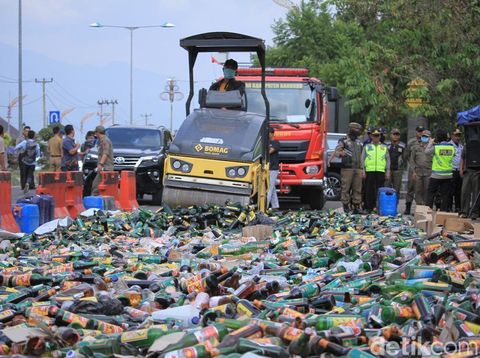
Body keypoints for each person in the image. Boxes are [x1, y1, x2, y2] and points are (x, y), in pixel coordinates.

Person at [330, 122, 363, 213]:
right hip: (347, 168)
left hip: (358, 168)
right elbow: (336, 152)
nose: (358, 132)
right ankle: (346, 206)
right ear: (351, 129)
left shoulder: (359, 142)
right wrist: (341, 153)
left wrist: (362, 169)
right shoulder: (343, 141)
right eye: (356, 129)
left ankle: (356, 206)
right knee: (346, 188)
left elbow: (362, 156)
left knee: (357, 188)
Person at [361, 128, 390, 212]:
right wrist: (363, 170)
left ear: (380, 136)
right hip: (369, 171)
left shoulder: (384, 147)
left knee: (380, 190)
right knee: (369, 190)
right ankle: (369, 207)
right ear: (371, 136)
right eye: (374, 136)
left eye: (377, 136)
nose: (376, 137)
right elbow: (362, 158)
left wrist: (387, 171)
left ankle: (379, 207)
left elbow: (388, 159)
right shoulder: (367, 146)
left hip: (380, 171)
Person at [425, 129, 454, 211]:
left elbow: (426, 152)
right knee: (445, 195)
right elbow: (453, 155)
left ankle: (428, 211)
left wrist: (430, 143)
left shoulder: (436, 147)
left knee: (431, 193)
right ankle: (443, 212)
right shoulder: (451, 147)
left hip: (436, 175)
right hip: (448, 175)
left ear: (437, 137)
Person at [404, 126, 425, 214]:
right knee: (411, 187)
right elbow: (406, 155)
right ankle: (408, 208)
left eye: (422, 131)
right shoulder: (411, 142)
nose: (420, 133)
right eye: (419, 131)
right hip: (413, 168)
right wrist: (412, 165)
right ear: (416, 132)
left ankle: (419, 209)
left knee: (420, 189)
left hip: (423, 169)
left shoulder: (427, 141)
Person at [410, 130, 433, 206]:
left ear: (430, 138)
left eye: (426, 136)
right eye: (423, 136)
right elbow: (412, 160)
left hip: (429, 172)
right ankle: (419, 207)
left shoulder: (433, 148)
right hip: (418, 172)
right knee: (418, 190)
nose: (424, 138)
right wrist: (413, 171)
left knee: (427, 190)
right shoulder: (416, 147)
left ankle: (426, 207)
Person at [91, 125, 114, 196]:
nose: (95, 134)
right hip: (105, 168)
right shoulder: (103, 140)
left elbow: (105, 154)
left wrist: (100, 164)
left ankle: (93, 203)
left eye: (96, 133)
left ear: (98, 132)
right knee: (106, 188)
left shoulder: (105, 141)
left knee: (95, 187)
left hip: (105, 168)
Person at [385, 128, 406, 203]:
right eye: (394, 134)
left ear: (399, 136)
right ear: (391, 135)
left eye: (397, 134)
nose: (395, 136)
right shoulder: (386, 144)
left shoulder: (402, 145)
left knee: (397, 189)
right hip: (388, 170)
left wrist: (402, 166)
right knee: (386, 188)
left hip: (398, 170)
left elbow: (405, 157)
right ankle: (386, 204)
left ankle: (395, 206)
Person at [448, 128, 463, 213]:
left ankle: (458, 207)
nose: (458, 137)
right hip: (451, 170)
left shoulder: (461, 146)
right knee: (450, 191)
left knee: (458, 191)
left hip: (459, 171)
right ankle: (449, 207)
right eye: (456, 135)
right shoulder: (449, 145)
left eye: (459, 135)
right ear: (452, 136)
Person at [267, 127, 280, 210]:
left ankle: (264, 207)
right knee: (272, 187)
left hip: (273, 168)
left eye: (268, 133)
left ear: (272, 133)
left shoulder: (276, 143)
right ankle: (275, 206)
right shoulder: (265, 142)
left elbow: (270, 151)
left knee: (269, 188)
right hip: (266, 168)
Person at [16, 125, 30, 190]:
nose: (27, 132)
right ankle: (23, 185)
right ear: (23, 131)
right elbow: (17, 148)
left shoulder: (30, 139)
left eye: (28, 131)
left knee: (28, 171)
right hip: (21, 156)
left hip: (28, 157)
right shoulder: (20, 138)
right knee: (23, 171)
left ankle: (28, 185)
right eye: (26, 131)